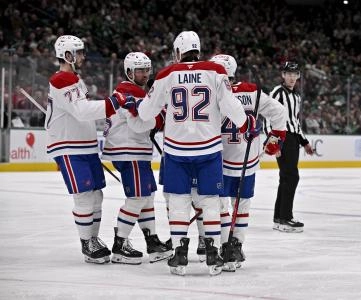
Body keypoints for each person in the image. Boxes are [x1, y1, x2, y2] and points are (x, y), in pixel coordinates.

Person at [131, 31, 258, 276]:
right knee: (210, 199)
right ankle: (211, 250)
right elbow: (231, 105)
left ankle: (180, 253)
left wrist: (134, 106)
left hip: (177, 150)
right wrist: (246, 124)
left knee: (178, 200)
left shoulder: (166, 74)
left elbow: (146, 113)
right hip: (209, 148)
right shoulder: (215, 71)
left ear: (178, 52)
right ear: (198, 49)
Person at [45, 35, 135, 264]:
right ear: (67, 55)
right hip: (68, 146)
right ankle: (87, 243)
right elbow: (82, 111)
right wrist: (114, 102)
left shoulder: (74, 79)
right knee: (84, 195)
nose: (83, 56)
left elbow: (83, 111)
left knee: (96, 194)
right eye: (79, 52)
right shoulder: (62, 79)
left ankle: (93, 239)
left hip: (83, 146)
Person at [193, 54, 286, 271]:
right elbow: (279, 112)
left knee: (220, 205)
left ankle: (224, 245)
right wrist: (276, 137)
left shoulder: (210, 91)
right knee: (242, 205)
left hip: (220, 159)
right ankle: (236, 246)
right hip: (248, 159)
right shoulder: (252, 91)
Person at [101, 52, 170, 264]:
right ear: (129, 71)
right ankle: (120, 244)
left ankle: (152, 240)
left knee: (146, 197)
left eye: (147, 70)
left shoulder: (133, 90)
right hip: (129, 151)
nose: (145, 74)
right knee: (138, 198)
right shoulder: (128, 90)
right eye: (140, 70)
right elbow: (141, 121)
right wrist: (162, 115)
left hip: (135, 150)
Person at [268, 61, 314, 233]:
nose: (292, 77)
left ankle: (279, 218)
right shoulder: (277, 93)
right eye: (289, 73)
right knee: (291, 177)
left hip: (293, 139)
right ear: (283, 75)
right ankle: (286, 218)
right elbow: (267, 117)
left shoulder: (296, 96)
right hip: (283, 138)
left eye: (295, 74)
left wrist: (304, 141)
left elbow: (295, 122)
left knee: (286, 178)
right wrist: (274, 142)